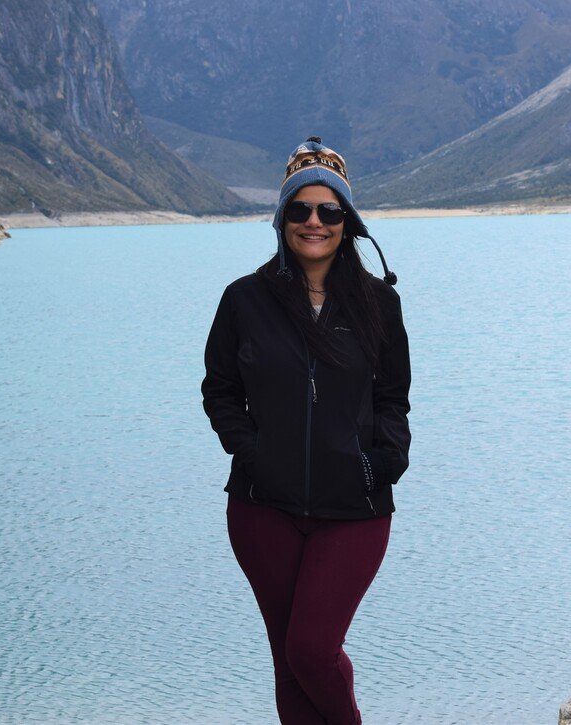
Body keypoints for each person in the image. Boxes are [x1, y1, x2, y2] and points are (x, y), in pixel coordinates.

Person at [201, 136, 412, 724]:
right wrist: (254, 453)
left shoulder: (377, 304)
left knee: (312, 650)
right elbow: (219, 391)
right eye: (300, 209)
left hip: (356, 509)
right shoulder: (244, 299)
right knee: (286, 661)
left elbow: (394, 398)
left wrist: (380, 462)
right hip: (262, 508)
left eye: (328, 211)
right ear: (282, 217)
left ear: (347, 222)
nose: (313, 222)